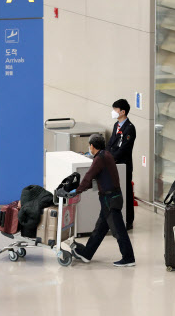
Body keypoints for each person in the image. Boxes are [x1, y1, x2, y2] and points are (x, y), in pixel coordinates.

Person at [71, 134, 135, 267]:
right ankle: (87, 253)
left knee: (118, 231)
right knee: (99, 229)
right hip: (112, 199)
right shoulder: (107, 155)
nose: (89, 147)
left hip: (109, 200)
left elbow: (89, 177)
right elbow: (94, 179)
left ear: (92, 146)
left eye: (89, 145)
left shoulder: (99, 159)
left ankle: (128, 258)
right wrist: (81, 188)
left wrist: (76, 191)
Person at [105, 99, 136, 230]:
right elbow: (111, 143)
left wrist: (112, 158)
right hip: (113, 164)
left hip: (124, 165)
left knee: (126, 192)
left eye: (115, 110)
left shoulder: (129, 128)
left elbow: (124, 148)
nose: (113, 112)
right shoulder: (116, 125)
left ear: (122, 112)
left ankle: (129, 220)